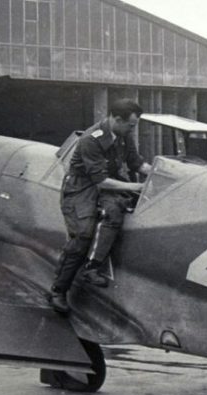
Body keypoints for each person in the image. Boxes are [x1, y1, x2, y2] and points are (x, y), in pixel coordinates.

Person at [49, 99, 152, 314]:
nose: (132, 129)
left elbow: (136, 163)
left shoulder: (124, 134)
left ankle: (92, 267)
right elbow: (100, 181)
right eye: (130, 125)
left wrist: (157, 175)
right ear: (116, 119)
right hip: (82, 187)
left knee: (114, 213)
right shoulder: (90, 139)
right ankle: (58, 290)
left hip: (107, 184)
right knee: (82, 236)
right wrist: (138, 186)